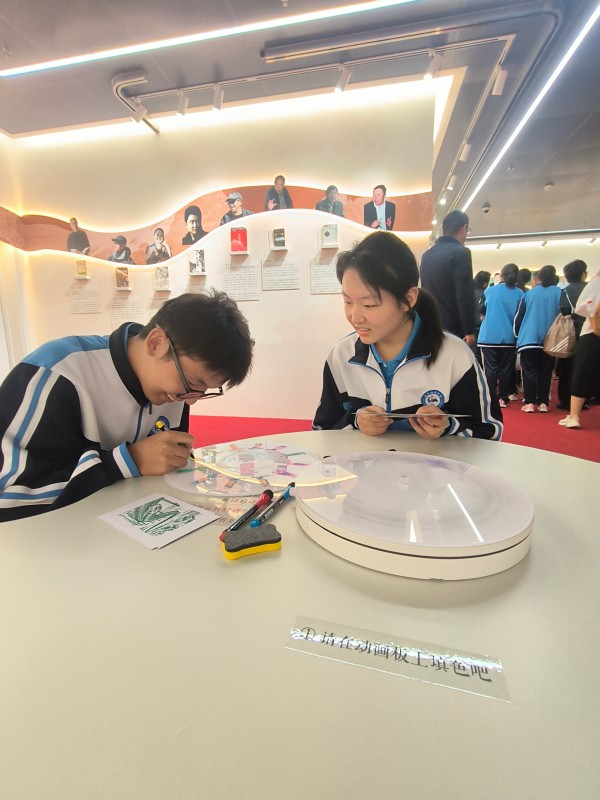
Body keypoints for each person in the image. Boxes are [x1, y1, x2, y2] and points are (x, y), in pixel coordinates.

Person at [0, 291, 254, 522]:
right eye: (193, 383)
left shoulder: (174, 391)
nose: (191, 400)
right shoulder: (57, 374)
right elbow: (8, 498)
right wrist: (126, 461)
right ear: (156, 343)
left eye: (205, 391)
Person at [313, 231, 502, 440]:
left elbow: (489, 432)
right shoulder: (342, 356)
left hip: (434, 462)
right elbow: (323, 430)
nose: (355, 317)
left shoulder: (454, 356)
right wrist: (356, 421)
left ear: (408, 299)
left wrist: (448, 426)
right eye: (348, 301)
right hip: (365, 462)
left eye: (369, 305)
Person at [419, 210, 476, 346]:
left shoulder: (427, 255)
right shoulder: (461, 252)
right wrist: (469, 330)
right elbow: (464, 294)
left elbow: (424, 291)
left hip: (431, 324)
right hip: (454, 328)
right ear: (464, 228)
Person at [514, 264, 561, 413]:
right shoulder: (560, 292)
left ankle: (529, 403)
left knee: (529, 371)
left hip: (529, 339)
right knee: (546, 372)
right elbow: (568, 312)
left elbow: (518, 318)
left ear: (538, 278)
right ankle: (543, 403)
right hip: (550, 341)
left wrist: (517, 335)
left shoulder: (528, 294)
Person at [477, 263, 524, 408]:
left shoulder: (490, 291)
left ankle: (490, 398)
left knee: (490, 369)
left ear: (501, 275)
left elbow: (481, 309)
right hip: (510, 338)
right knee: (506, 369)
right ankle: (503, 398)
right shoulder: (520, 293)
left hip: (489, 336)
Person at [558, 273, 600, 430]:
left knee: (582, 372)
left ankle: (574, 415)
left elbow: (581, 307)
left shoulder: (596, 282)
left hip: (592, 332)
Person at [556, 259, 587, 409]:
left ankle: (565, 400)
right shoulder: (589, 289)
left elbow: (564, 310)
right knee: (585, 368)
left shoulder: (565, 291)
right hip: (589, 331)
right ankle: (584, 400)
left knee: (566, 367)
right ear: (583, 274)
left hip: (569, 332)